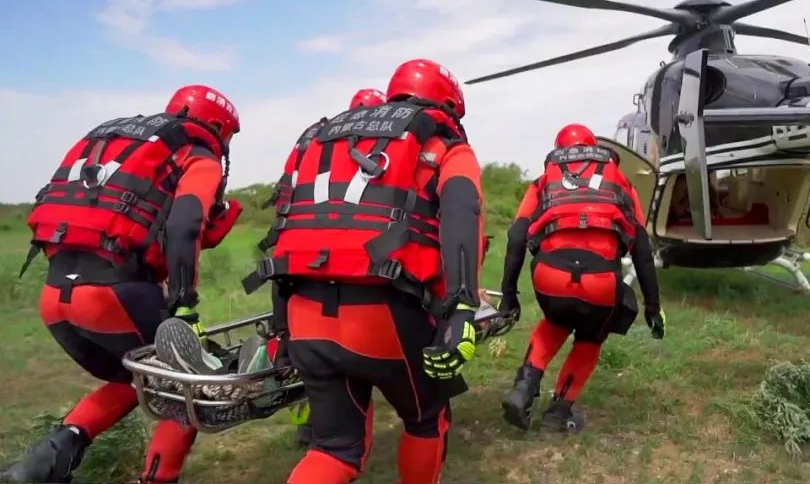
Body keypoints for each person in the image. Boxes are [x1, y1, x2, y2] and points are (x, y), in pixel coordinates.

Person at [243, 59, 485, 484]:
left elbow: (283, 231)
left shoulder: (319, 140)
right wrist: (462, 308)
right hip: (384, 316)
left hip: (305, 312)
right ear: (449, 104)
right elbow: (463, 220)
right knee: (427, 419)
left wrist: (282, 328)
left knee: (334, 448)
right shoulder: (446, 145)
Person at [0, 85, 242, 484]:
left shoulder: (121, 143)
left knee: (133, 381)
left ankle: (42, 465)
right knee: (190, 388)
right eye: (228, 136)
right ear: (216, 126)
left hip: (56, 296)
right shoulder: (197, 154)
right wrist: (184, 307)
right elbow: (185, 227)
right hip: (115, 294)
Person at [498, 123, 665, 432]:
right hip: (600, 280)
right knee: (589, 340)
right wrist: (652, 305)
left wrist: (509, 293)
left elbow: (517, 236)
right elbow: (642, 247)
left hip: (550, 275)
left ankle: (524, 388)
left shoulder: (544, 181)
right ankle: (557, 415)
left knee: (554, 323)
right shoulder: (621, 182)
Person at [258, 86, 389, 448]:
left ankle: (309, 416)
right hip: (354, 260)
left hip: (297, 250)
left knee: (293, 319)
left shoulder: (317, 139)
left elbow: (288, 190)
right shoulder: (378, 143)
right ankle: (332, 430)